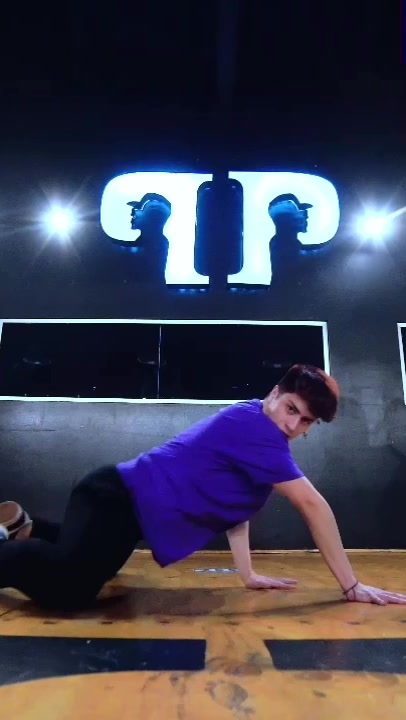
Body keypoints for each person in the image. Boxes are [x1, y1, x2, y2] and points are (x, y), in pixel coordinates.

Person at [0, 364, 405, 611]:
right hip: (112, 499)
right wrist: (351, 586)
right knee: (70, 591)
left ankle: (27, 528)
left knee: (90, 568)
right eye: (291, 409)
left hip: (119, 508)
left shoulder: (255, 422)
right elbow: (312, 506)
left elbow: (235, 512)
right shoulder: (258, 431)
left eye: (306, 421)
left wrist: (247, 574)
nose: (292, 425)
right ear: (274, 394)